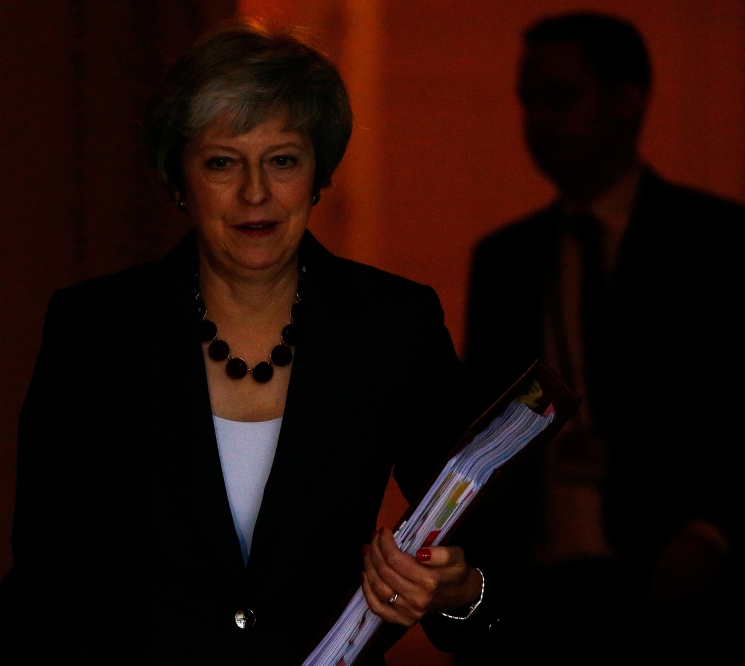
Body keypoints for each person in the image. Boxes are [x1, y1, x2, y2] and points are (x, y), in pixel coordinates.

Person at [0, 22, 490, 665]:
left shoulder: (393, 325)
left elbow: (483, 560)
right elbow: (43, 573)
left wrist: (458, 589)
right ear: (180, 180)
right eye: (223, 162)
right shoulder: (94, 328)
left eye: (282, 160)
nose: (255, 193)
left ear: (318, 172)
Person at [461, 12, 745, 664]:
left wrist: (712, 533)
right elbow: (481, 426)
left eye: (561, 97)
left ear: (629, 99)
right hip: (545, 604)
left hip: (692, 590)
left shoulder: (717, 241)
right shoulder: (505, 260)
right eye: (528, 100)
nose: (538, 119)